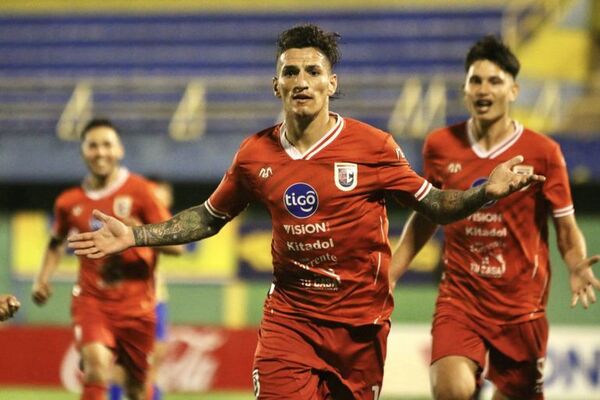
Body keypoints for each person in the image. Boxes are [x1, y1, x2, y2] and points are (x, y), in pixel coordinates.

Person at [68, 25, 544, 400]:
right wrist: (137, 236)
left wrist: (485, 192)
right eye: (290, 72)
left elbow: (436, 205)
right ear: (275, 85)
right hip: (290, 318)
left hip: (360, 326)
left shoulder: (373, 147)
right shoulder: (255, 154)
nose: (302, 81)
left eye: (313, 72)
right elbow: (209, 217)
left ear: (332, 83)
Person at [389, 35, 600, 400]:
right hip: (461, 298)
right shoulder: (440, 145)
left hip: (521, 308)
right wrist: (390, 272)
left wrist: (576, 264)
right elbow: (427, 216)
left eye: (495, 81)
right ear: (465, 89)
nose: (484, 89)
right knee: (451, 390)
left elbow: (565, 228)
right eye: (476, 80)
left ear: (514, 90)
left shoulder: (543, 152)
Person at [32, 118, 182, 400]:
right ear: (83, 152)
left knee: (137, 389)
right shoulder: (68, 202)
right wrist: (42, 279)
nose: (100, 152)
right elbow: (55, 242)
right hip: (92, 301)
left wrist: (137, 233)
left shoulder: (141, 192)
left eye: (107, 145)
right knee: (96, 371)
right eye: (93, 146)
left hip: (138, 306)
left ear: (119, 150)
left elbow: (177, 246)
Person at [108, 178, 176, 400]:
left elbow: (176, 249)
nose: (159, 201)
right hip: (125, 299)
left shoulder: (162, 226)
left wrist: (143, 233)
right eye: (155, 196)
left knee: (153, 365)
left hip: (156, 299)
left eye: (164, 198)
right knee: (121, 367)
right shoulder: (124, 221)